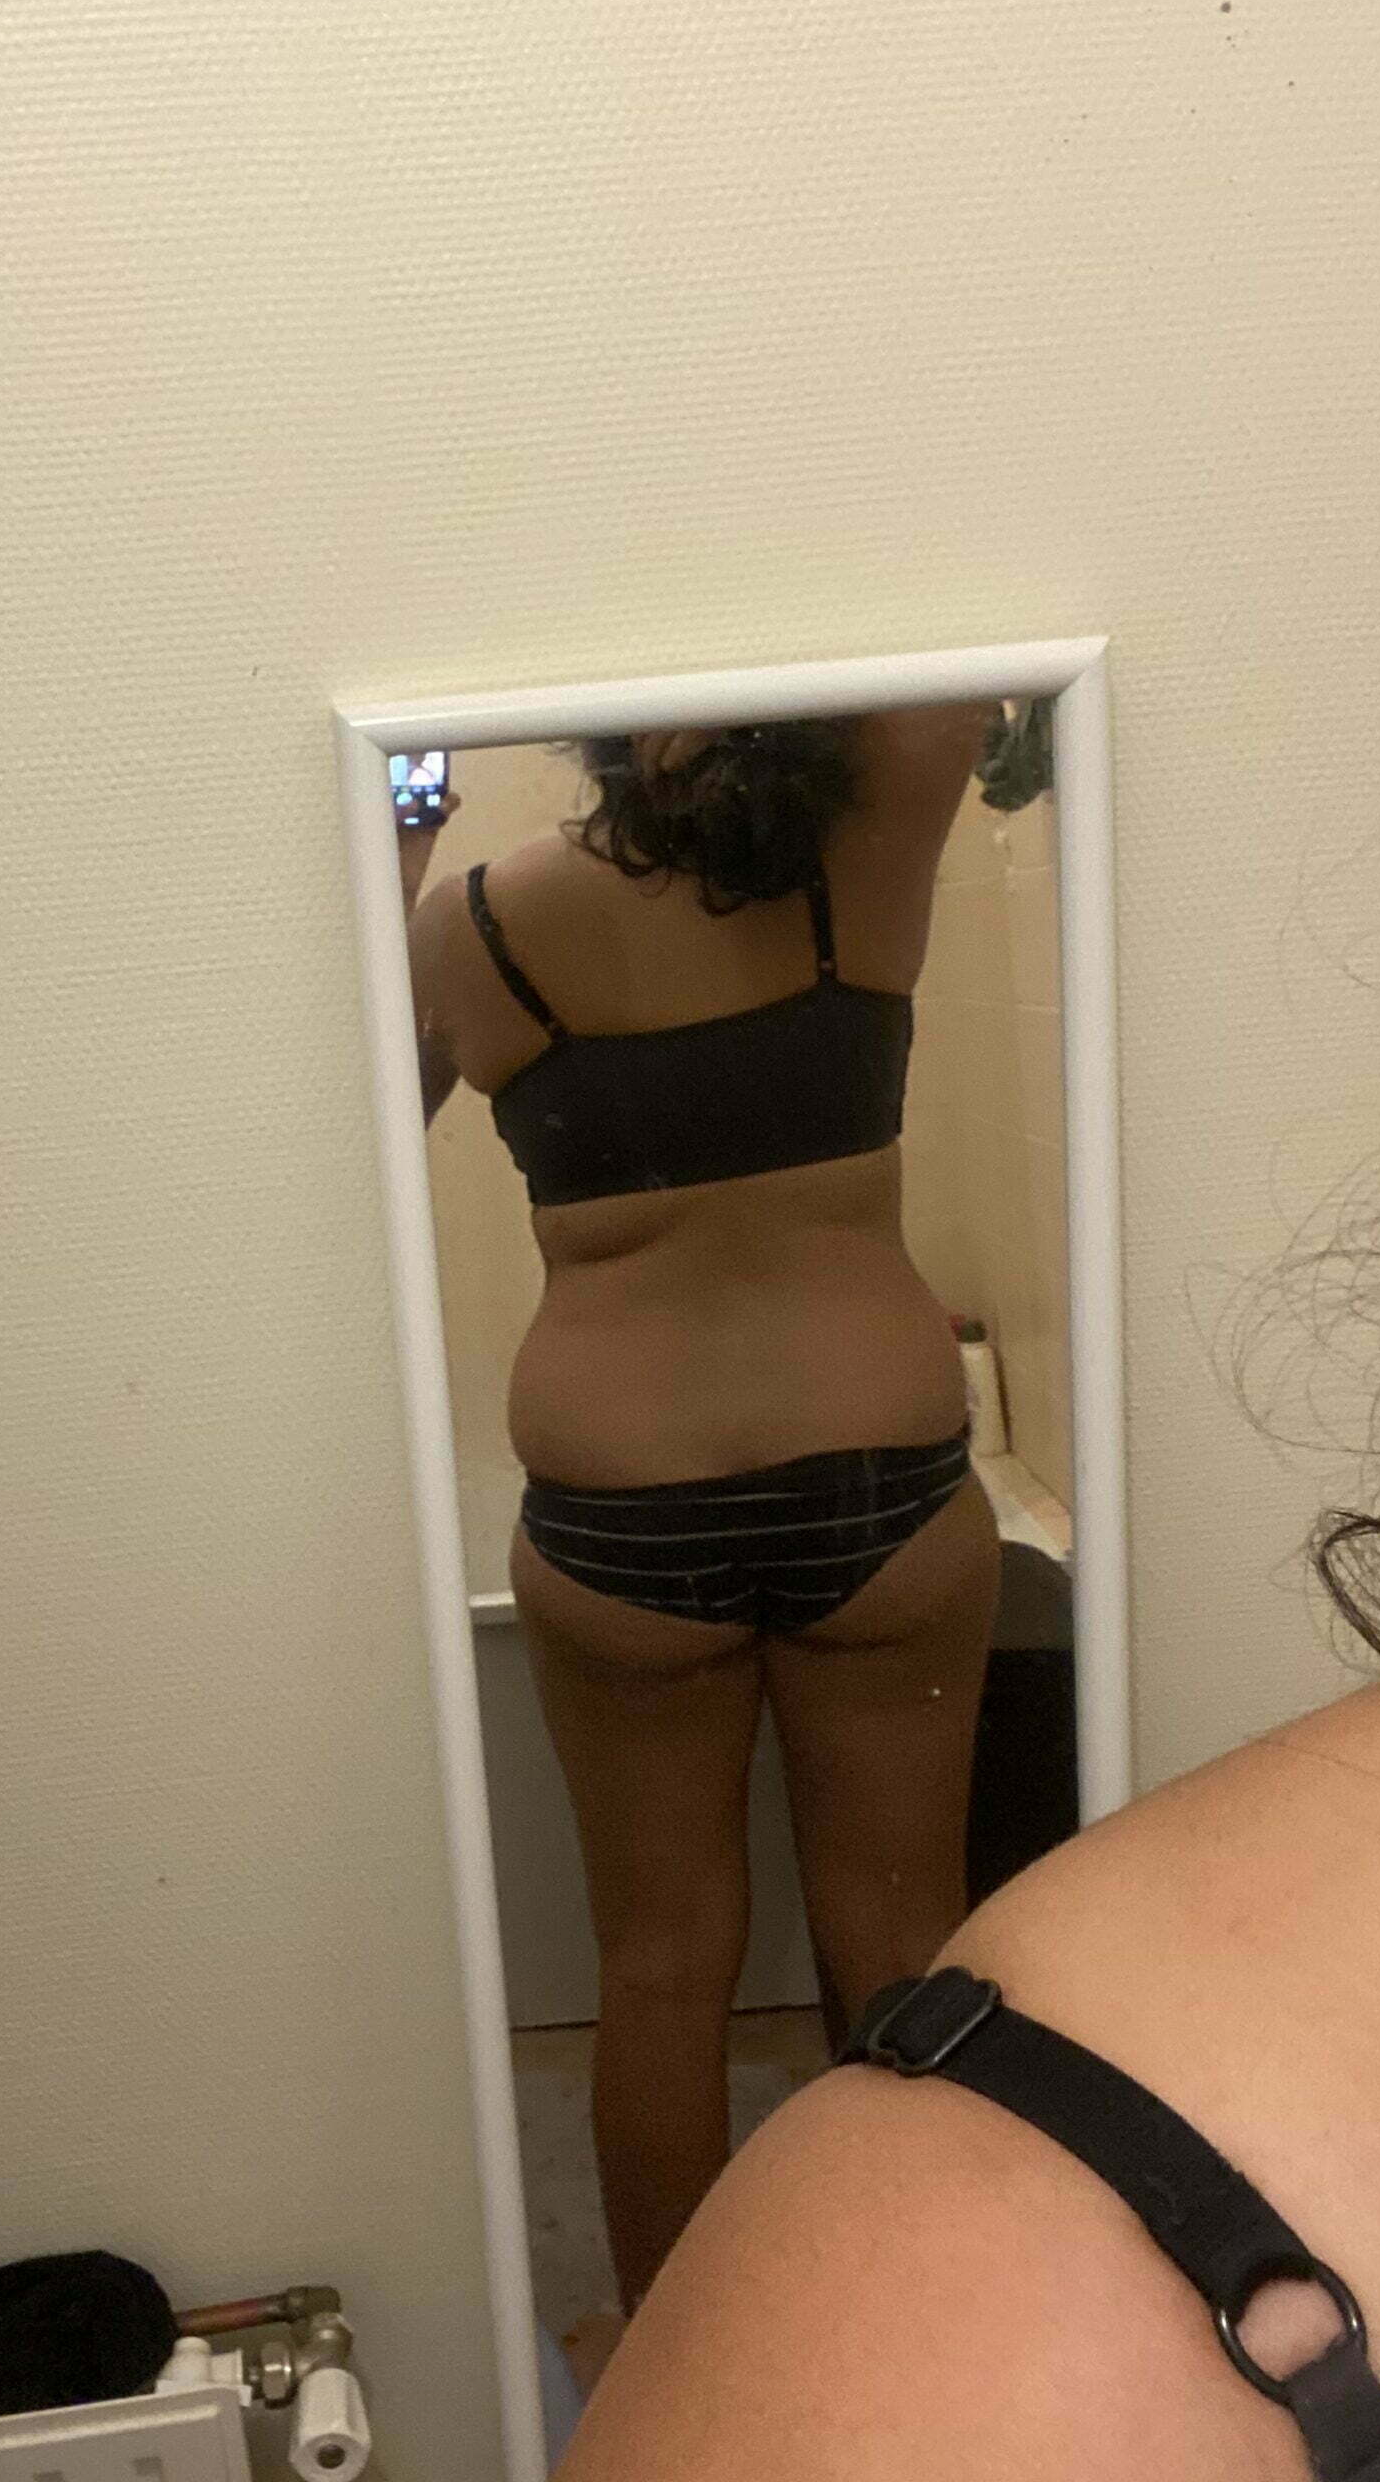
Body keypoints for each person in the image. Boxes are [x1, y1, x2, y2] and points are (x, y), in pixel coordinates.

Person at [540, 1165, 1380, 2469]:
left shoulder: (475, 996)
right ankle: (884, 2296)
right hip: (867, 1442)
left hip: (622, 1462)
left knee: (662, 1954)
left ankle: (664, 2349)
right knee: (908, 1941)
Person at [400, 706, 1006, 2325]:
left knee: (661, 1967)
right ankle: (933, 2345)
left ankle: (680, 2386)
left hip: (623, 1508)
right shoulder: (870, 843)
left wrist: (404, 817)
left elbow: (349, 1125)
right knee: (904, 1937)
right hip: (875, 1471)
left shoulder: (475, 920)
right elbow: (944, 665)